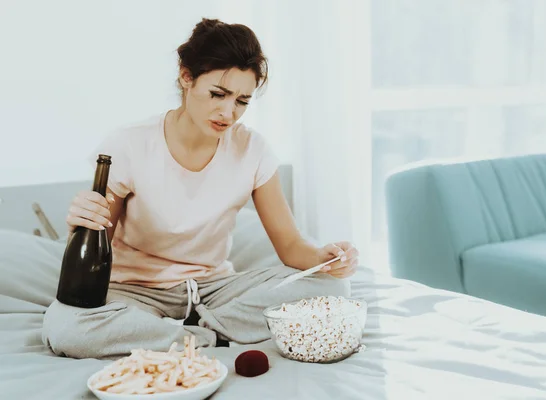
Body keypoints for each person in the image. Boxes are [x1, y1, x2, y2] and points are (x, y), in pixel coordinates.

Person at [42, 18, 359, 359]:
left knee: (334, 288)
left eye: (242, 101)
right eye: (217, 94)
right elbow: (98, 240)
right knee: (65, 327)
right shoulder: (129, 145)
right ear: (186, 77)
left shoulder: (253, 150)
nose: (228, 112)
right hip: (136, 292)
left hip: (215, 291)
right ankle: (206, 339)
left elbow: (291, 246)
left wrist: (324, 259)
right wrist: (83, 221)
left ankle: (194, 333)